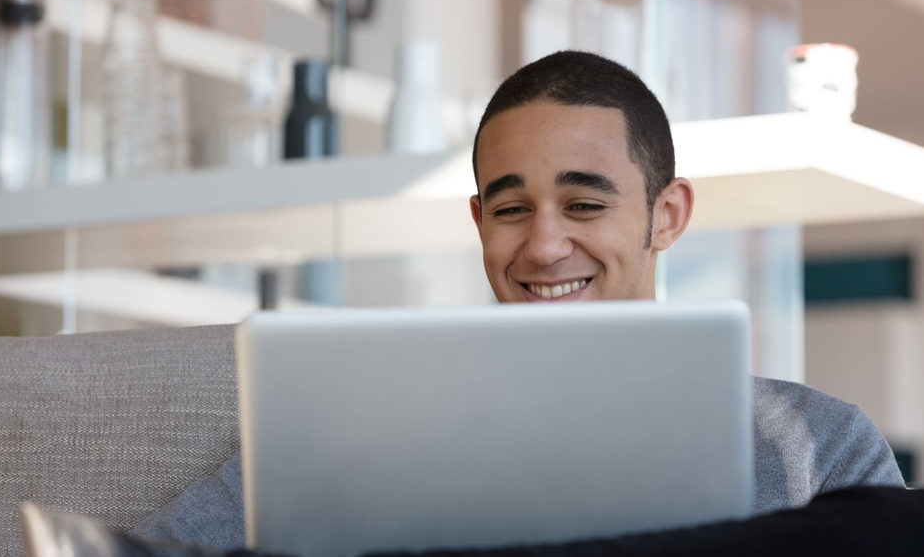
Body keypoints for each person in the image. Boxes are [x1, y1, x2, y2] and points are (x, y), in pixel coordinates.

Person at [130, 51, 904, 549]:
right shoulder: (358, 420)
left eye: (585, 205)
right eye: (510, 210)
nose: (541, 246)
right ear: (479, 223)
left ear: (666, 216)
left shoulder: (817, 446)